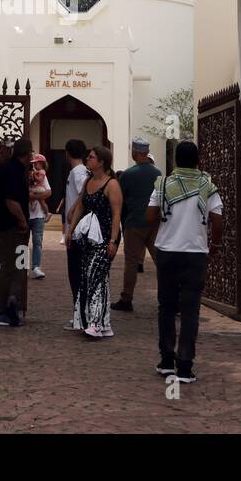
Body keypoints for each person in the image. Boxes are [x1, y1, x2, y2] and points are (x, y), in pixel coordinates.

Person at [146, 140, 222, 384]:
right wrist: (214, 245)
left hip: (167, 251)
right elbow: (218, 220)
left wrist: (166, 222)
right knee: (190, 311)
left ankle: (167, 360)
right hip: (195, 253)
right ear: (198, 159)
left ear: (176, 160)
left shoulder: (164, 184)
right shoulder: (206, 185)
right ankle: (185, 366)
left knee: (166, 307)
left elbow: (150, 215)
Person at [66, 145, 123, 338]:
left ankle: (95, 323)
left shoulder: (112, 184)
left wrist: (113, 241)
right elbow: (81, 206)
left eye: (91, 157)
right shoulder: (89, 181)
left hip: (106, 236)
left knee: (95, 275)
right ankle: (102, 323)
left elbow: (116, 215)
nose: (88, 160)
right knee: (91, 276)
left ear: (101, 162)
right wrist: (70, 231)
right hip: (88, 236)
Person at [112, 137, 162, 312]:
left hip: (134, 223)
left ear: (135, 152)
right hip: (155, 223)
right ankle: (168, 298)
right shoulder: (158, 174)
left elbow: (120, 199)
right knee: (161, 262)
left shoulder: (128, 175)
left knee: (131, 263)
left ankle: (127, 298)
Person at [0, 138, 33, 327]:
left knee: (21, 263)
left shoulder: (14, 169)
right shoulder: (13, 171)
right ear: (27, 154)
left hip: (15, 228)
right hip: (10, 228)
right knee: (10, 265)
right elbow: (11, 202)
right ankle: (1, 310)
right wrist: (22, 221)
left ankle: (13, 301)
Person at [60, 139, 89, 322]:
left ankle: (80, 313)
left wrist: (72, 211)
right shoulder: (81, 171)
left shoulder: (78, 173)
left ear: (67, 153)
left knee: (76, 274)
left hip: (77, 230)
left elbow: (83, 194)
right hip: (77, 229)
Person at [27, 152, 51, 279]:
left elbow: (48, 192)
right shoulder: (25, 174)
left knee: (37, 241)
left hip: (38, 215)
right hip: (24, 214)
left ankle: (36, 266)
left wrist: (34, 196)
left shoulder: (40, 174)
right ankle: (22, 266)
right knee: (22, 242)